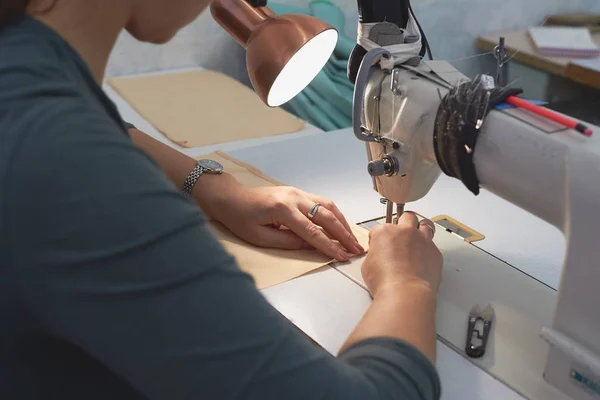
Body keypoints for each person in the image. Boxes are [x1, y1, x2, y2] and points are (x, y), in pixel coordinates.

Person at [0, 1, 444, 399]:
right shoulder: (70, 167)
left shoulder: (26, 64)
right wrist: (408, 285)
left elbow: (103, 124)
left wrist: (215, 188)